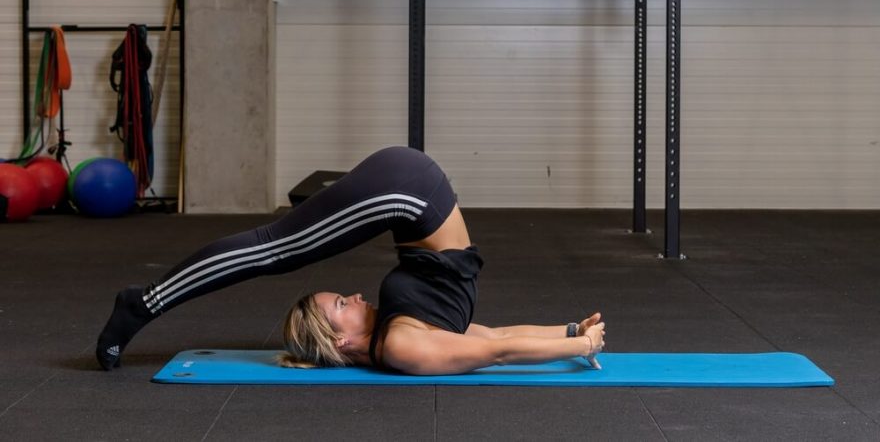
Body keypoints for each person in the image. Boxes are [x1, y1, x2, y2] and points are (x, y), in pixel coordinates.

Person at [96, 146, 606, 374]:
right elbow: (494, 344)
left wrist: (575, 342)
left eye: (341, 299)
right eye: (343, 302)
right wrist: (571, 336)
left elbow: (497, 346)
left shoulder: (402, 338)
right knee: (276, 246)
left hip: (404, 194)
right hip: (407, 195)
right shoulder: (406, 342)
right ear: (341, 338)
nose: (357, 295)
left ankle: (142, 303)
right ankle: (141, 302)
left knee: (278, 247)